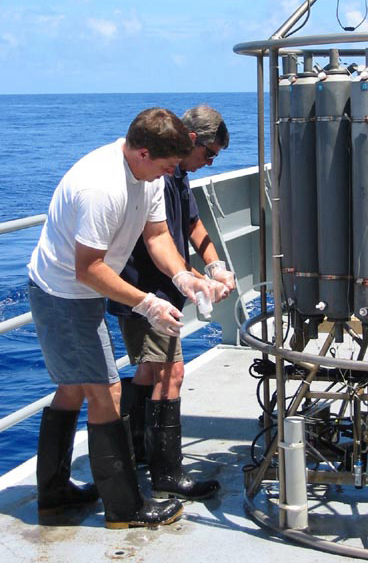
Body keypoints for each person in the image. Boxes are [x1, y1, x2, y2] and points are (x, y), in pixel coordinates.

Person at [28, 107, 213, 530]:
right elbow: (87, 268)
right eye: (166, 166)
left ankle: (53, 496)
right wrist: (147, 304)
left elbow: (158, 235)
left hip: (83, 289)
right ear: (144, 153)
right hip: (64, 293)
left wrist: (182, 275)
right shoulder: (101, 187)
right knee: (107, 392)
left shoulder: (146, 174)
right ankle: (124, 508)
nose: (170, 174)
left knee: (74, 388)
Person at [107, 105, 235, 501]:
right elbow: (155, 242)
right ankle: (167, 472)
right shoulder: (159, 175)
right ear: (191, 141)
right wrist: (191, 278)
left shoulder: (176, 173)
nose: (209, 162)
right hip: (146, 293)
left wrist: (214, 265)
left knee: (149, 373)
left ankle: (141, 453)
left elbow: (193, 224)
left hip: (164, 291)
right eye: (208, 154)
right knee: (170, 375)